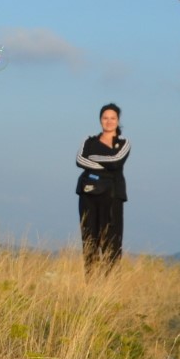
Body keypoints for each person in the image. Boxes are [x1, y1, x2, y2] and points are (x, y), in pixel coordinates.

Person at [75, 102, 129, 274]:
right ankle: (91, 281)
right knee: (89, 238)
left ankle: (110, 285)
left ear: (118, 120)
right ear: (100, 120)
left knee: (111, 239)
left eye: (112, 118)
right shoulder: (88, 141)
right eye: (105, 118)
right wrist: (106, 164)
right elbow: (79, 160)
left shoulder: (123, 143)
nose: (109, 121)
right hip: (88, 195)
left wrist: (94, 162)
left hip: (113, 196)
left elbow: (117, 162)